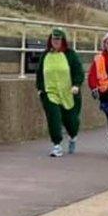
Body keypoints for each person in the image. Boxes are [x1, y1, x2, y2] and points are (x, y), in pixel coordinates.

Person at [36, 28, 84, 158]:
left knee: (72, 122)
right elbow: (39, 73)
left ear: (62, 40)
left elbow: (78, 71)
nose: (55, 41)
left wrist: (76, 85)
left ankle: (73, 137)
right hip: (50, 93)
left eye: (58, 39)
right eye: (53, 39)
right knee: (54, 118)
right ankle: (56, 145)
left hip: (69, 93)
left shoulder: (70, 55)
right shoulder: (45, 55)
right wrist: (40, 89)